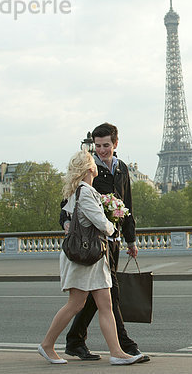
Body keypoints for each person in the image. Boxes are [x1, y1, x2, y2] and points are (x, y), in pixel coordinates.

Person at [38, 151, 143, 365]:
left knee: (104, 304)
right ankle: (47, 345)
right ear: (89, 169)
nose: (96, 165)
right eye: (92, 163)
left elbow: (69, 219)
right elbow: (101, 223)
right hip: (85, 257)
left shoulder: (76, 191)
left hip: (90, 257)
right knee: (76, 304)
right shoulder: (85, 192)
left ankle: (116, 352)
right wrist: (114, 227)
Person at [59, 122, 149, 362]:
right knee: (110, 292)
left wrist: (131, 240)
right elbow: (68, 201)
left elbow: (126, 205)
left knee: (97, 294)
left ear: (115, 144)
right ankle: (124, 345)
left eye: (106, 145)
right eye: (97, 146)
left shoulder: (122, 169)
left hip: (114, 239)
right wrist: (64, 222)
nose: (101, 150)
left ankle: (75, 340)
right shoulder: (90, 171)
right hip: (95, 241)